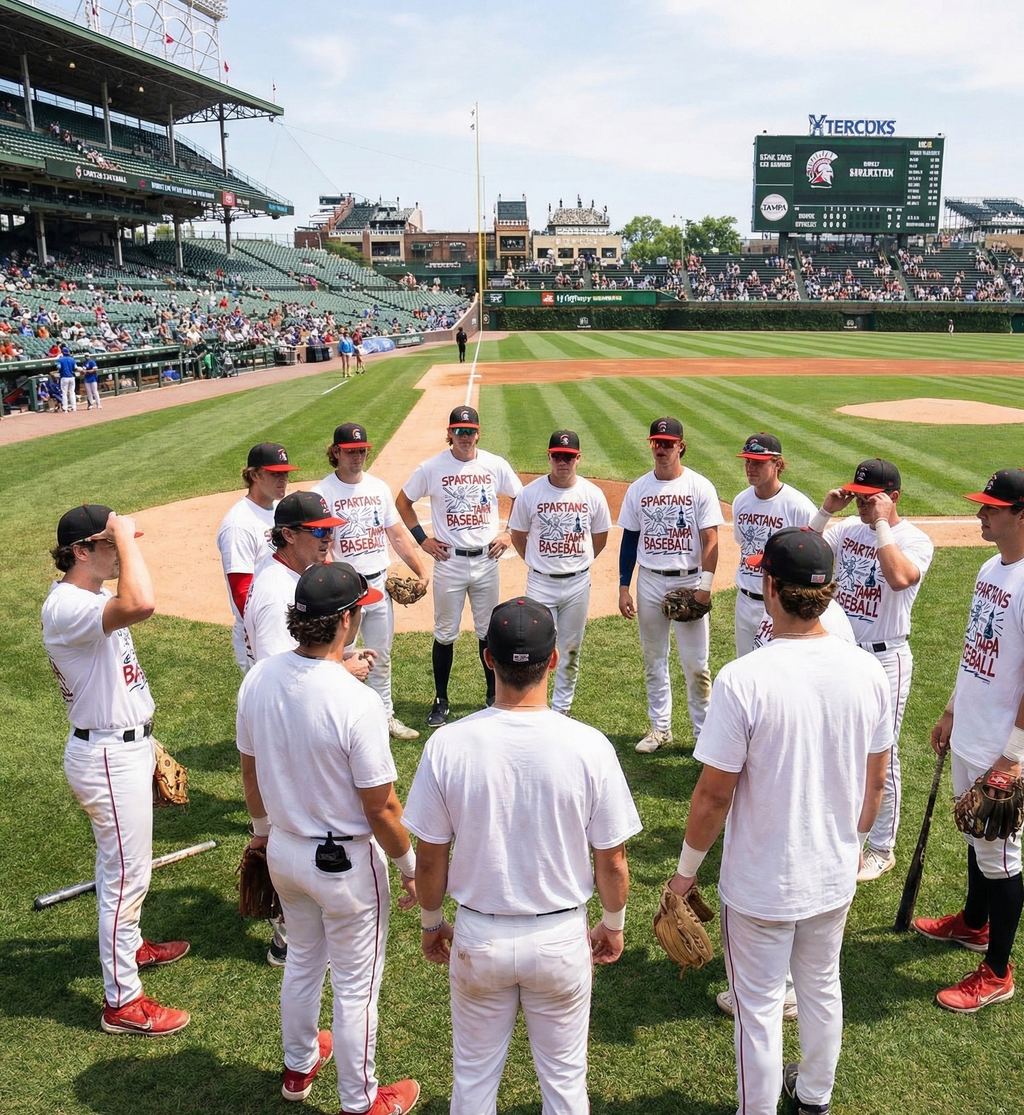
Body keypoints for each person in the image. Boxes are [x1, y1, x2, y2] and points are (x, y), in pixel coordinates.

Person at [669, 527, 891, 1115]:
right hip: (834, 869)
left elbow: (713, 797)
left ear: (769, 587)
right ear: (829, 593)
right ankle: (814, 1097)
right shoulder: (868, 670)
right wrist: (853, 842)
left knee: (759, 1007)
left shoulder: (745, 679)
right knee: (821, 986)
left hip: (760, 882)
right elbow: (877, 781)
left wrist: (684, 875)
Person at [404, 597, 641, 1114]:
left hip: (479, 936)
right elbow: (613, 858)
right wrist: (615, 923)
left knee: (472, 1082)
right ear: (552, 660)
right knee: (564, 1086)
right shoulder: (590, 745)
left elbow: (428, 857)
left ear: (487, 658)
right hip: (560, 938)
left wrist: (429, 922)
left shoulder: (448, 743)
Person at [237, 563, 420, 1114]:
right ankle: (361, 1102)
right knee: (356, 987)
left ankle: (298, 1068)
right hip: (345, 866)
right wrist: (411, 863)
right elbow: (382, 806)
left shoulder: (259, 677)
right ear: (347, 620)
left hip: (285, 852)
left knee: (302, 962)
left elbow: (250, 771)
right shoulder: (355, 700)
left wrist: (261, 837)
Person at [42, 504, 191, 1036]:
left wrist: (146, 739)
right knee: (125, 879)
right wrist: (126, 535)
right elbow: (143, 601)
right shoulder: (65, 607)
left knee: (123, 870)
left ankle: (131, 948)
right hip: (106, 755)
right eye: (107, 544)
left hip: (120, 747)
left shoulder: (92, 599)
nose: (119, 552)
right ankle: (122, 1002)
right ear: (81, 551)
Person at [914, 468, 1024, 1013]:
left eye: (992, 508)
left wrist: (1015, 756)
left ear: (1021, 513)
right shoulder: (990, 567)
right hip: (972, 730)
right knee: (977, 835)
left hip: (1005, 747)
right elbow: (973, 647)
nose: (981, 514)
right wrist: (951, 709)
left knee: (1002, 854)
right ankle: (974, 925)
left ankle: (998, 973)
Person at [811, 459, 933, 882]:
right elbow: (800, 551)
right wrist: (826, 511)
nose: (860, 504)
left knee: (882, 751)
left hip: (886, 656)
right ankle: (841, 828)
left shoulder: (915, 540)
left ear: (892, 497)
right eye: (857, 496)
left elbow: (899, 577)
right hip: (843, 652)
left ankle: (882, 847)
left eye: (869, 498)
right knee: (835, 741)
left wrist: (881, 525)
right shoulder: (846, 529)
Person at [396, 405, 523, 727]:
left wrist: (508, 533)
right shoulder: (432, 467)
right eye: (459, 431)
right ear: (450, 433)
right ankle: (441, 699)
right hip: (449, 561)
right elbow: (403, 502)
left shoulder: (495, 464)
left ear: (478, 433)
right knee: (445, 633)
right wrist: (422, 539)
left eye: (470, 431)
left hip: (486, 560)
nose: (465, 436)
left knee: (487, 631)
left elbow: (520, 497)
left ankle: (492, 695)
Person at [313, 422, 429, 741]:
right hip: (342, 592)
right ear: (336, 452)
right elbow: (317, 546)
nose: (358, 457)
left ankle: (385, 716)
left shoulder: (378, 487)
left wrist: (421, 571)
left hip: (377, 587)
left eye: (362, 450)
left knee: (381, 654)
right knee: (340, 656)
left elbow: (397, 535)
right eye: (351, 452)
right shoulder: (322, 493)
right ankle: (343, 719)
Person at [617, 417, 724, 752]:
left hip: (689, 580)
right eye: (656, 443)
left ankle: (702, 733)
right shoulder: (638, 489)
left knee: (696, 665)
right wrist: (624, 586)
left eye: (668, 443)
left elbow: (710, 539)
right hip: (649, 580)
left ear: (681, 445)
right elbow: (630, 540)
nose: (661, 449)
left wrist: (704, 587)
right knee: (654, 659)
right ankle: (660, 728)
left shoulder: (699, 486)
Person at [508, 429, 611, 715]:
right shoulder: (531, 493)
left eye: (568, 457)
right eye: (557, 457)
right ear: (549, 457)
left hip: (578, 583)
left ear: (578, 459)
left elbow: (599, 538)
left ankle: (562, 708)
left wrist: (578, 561)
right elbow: (518, 534)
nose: (562, 462)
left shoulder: (592, 494)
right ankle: (535, 704)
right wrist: (537, 562)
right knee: (535, 647)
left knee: (570, 650)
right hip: (541, 583)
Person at [216, 442, 298, 673]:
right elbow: (241, 591)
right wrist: (267, 626)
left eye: (285, 474)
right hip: (261, 625)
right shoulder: (238, 524)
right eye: (275, 474)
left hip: (286, 616)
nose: (283, 479)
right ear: (254, 475)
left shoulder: (280, 509)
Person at [731, 433, 815, 656]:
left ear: (777, 464)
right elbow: (744, 545)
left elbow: (812, 558)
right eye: (747, 461)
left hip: (780, 605)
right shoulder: (741, 501)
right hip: (745, 600)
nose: (750, 467)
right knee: (745, 667)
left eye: (758, 462)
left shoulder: (798, 506)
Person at [56, 346, 78, 412]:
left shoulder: (60, 360)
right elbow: (75, 368)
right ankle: (74, 407)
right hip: (72, 377)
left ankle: (65, 407)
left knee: (64, 393)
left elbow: (58, 367)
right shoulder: (72, 359)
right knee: (72, 392)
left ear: (63, 353)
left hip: (64, 377)